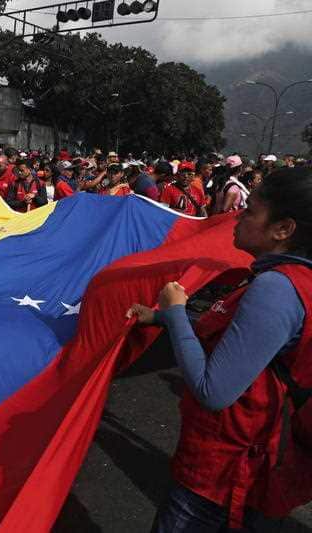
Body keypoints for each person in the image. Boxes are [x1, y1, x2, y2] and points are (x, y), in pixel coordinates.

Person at [127, 167, 312, 532]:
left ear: (283, 229)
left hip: (224, 475)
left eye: (250, 211)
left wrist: (177, 310)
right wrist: (163, 319)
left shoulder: (276, 289)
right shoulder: (291, 280)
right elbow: (244, 345)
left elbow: (214, 390)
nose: (237, 217)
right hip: (243, 464)